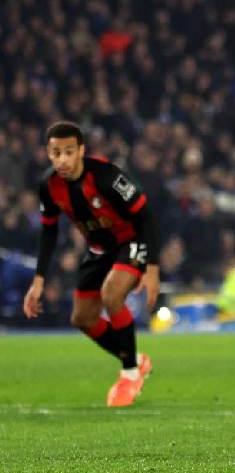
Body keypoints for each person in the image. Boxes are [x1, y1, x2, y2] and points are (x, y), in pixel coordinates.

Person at [22, 121, 160, 407]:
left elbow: (146, 215)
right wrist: (38, 281)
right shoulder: (49, 186)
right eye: (56, 153)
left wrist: (152, 268)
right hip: (98, 250)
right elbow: (49, 231)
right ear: (48, 153)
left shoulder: (106, 176)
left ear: (81, 150)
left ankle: (130, 375)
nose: (62, 160)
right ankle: (135, 359)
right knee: (82, 318)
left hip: (130, 241)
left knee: (112, 295)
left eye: (69, 152)